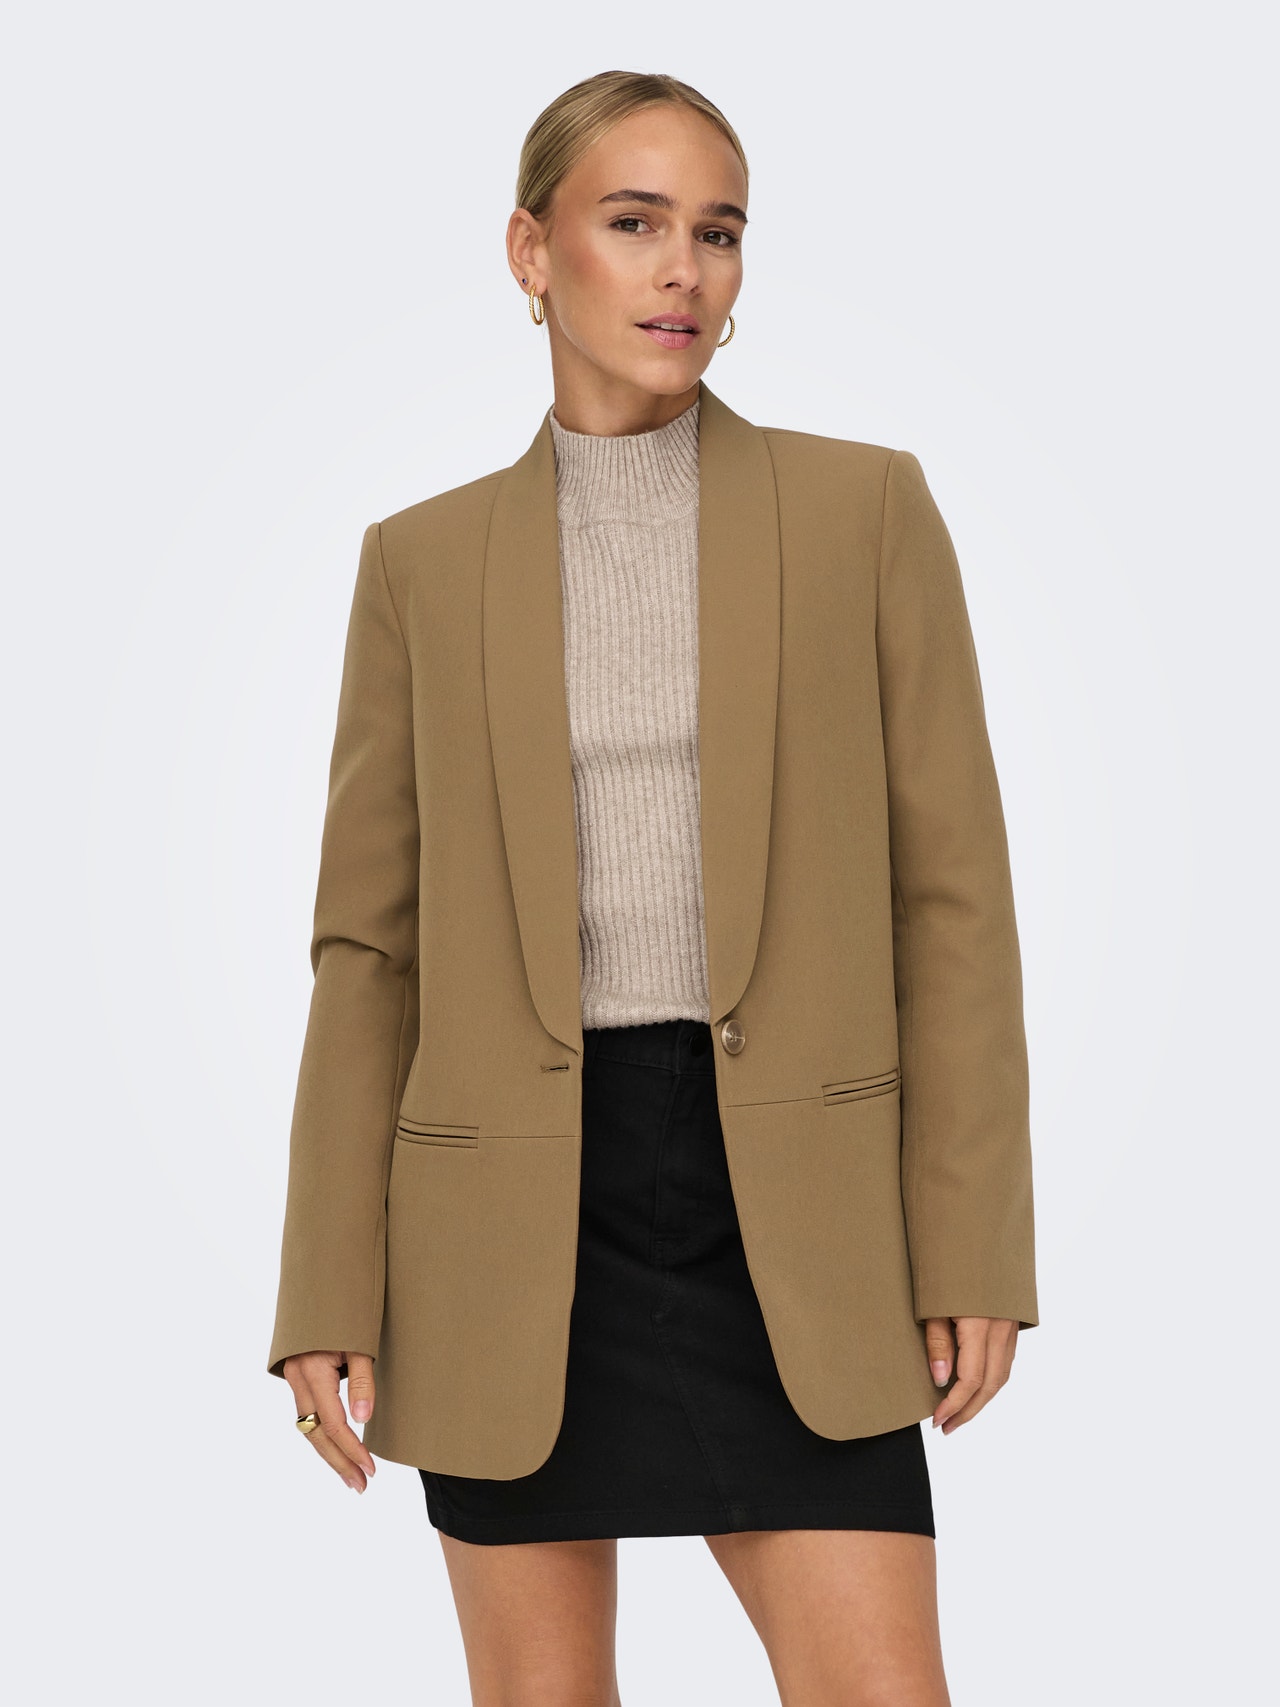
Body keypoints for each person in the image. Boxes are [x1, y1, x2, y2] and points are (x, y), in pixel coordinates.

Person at [267, 68, 1039, 1707]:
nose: (685, 268)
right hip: (510, 1225)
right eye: (634, 223)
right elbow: (368, 953)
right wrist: (325, 1279)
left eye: (718, 231)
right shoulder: (419, 564)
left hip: (798, 1217)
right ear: (530, 252)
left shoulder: (863, 511)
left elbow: (954, 902)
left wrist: (973, 1241)